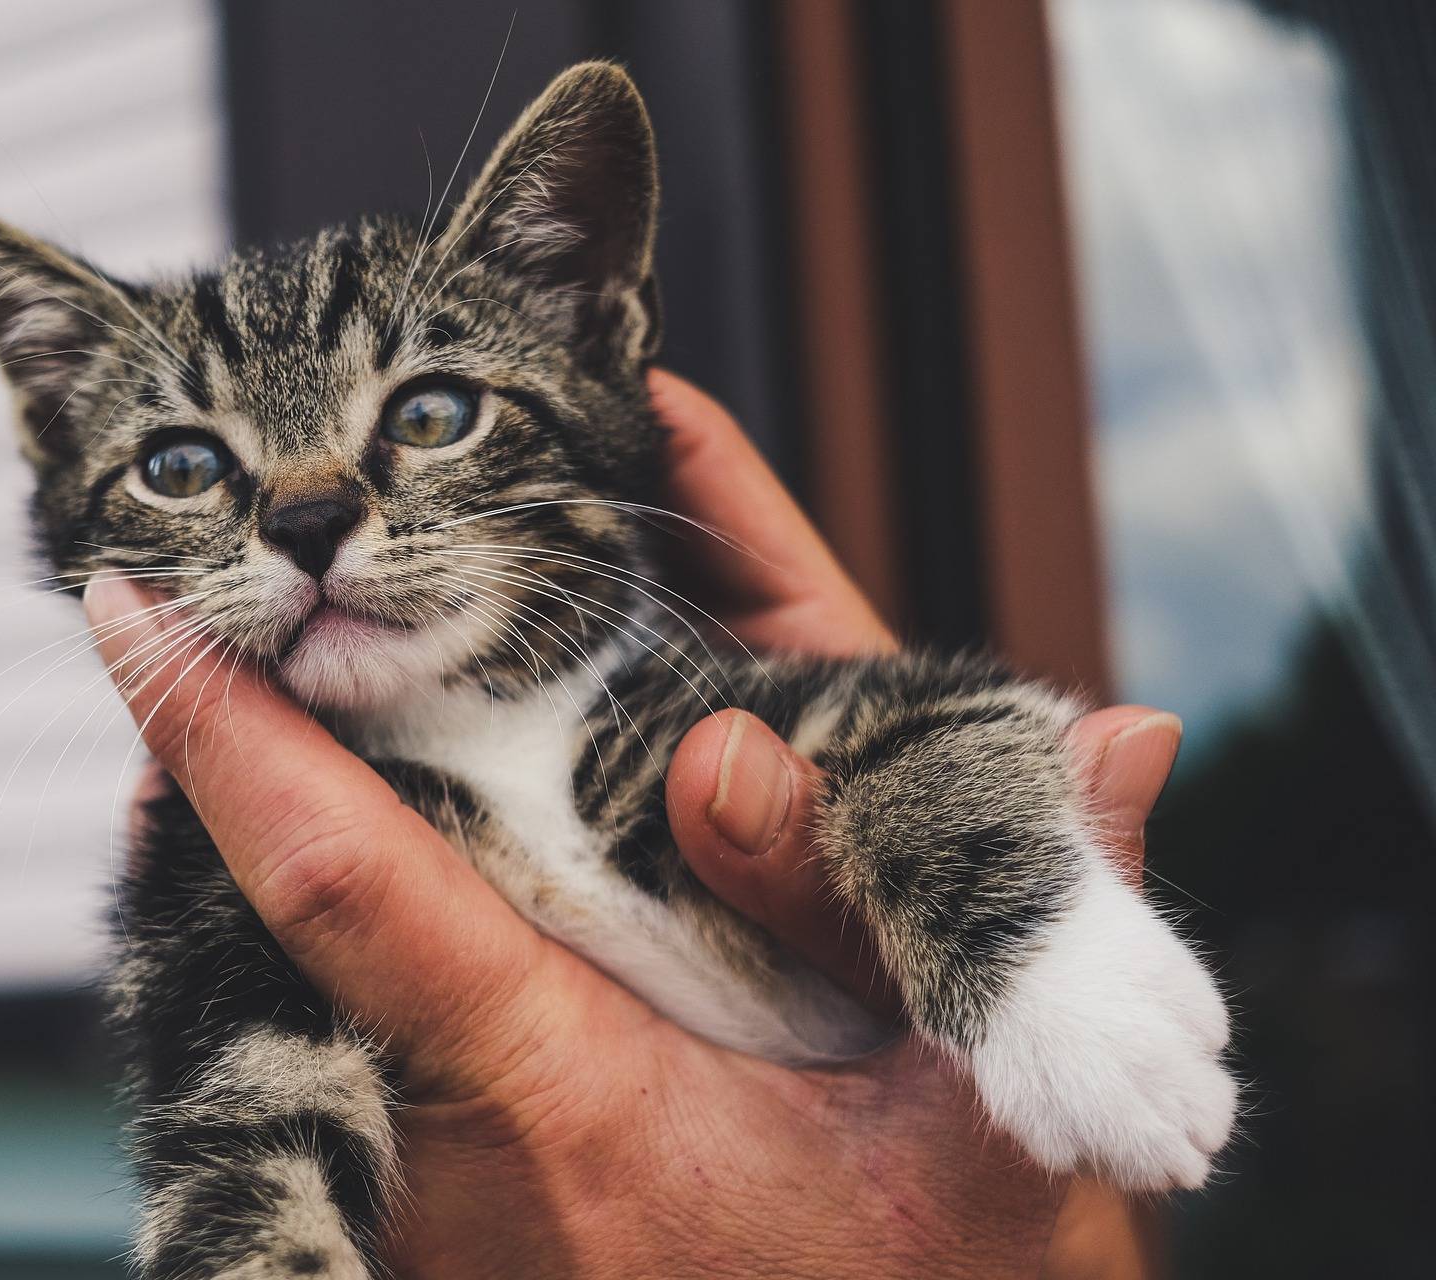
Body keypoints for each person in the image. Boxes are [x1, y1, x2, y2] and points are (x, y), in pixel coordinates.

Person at [83, 369, 1181, 1277]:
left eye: (425, 415)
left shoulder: (669, 723)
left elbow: (954, 724)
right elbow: (240, 1181)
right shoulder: (225, 868)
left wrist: (1009, 934)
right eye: (186, 466)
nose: (309, 512)